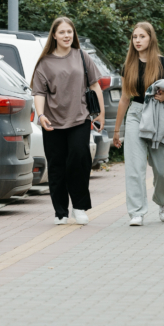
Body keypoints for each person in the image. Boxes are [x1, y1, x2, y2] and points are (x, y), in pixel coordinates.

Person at [31, 16, 105, 226]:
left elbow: (95, 86)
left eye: (69, 32)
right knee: (56, 166)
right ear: (54, 35)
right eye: (62, 32)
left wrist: (100, 114)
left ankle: (79, 207)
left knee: (79, 159)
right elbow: (39, 93)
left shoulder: (81, 56)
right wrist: (41, 115)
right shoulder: (45, 63)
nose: (66, 36)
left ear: (74, 34)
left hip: (80, 118)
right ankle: (61, 211)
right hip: (52, 122)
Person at [112, 22, 164, 226]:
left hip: (158, 115)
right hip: (135, 114)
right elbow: (125, 98)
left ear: (150, 38)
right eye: (134, 37)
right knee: (134, 167)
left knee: (161, 168)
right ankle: (136, 212)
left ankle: (163, 201)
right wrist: (117, 130)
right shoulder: (129, 66)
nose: (137, 41)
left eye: (142, 36)